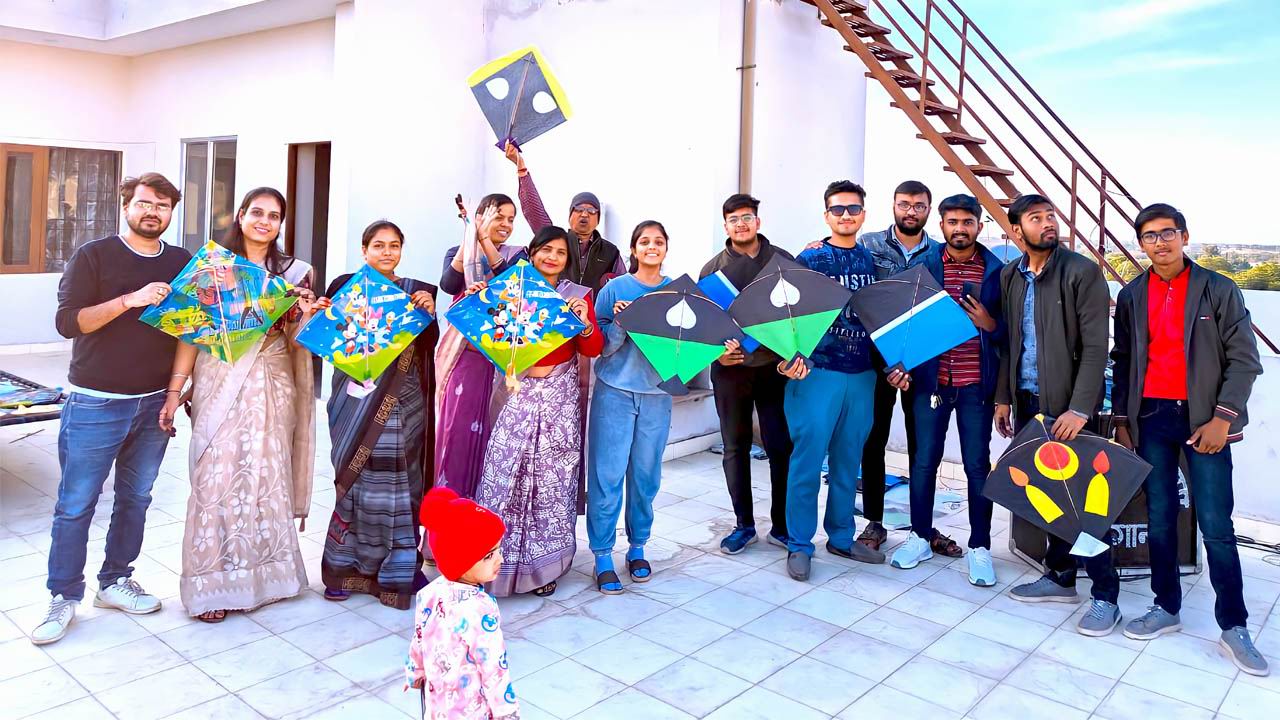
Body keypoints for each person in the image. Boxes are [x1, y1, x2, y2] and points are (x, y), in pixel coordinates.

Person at [32, 174, 190, 645]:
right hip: (96, 402)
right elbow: (67, 322)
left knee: (136, 499)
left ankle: (115, 580)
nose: (152, 212)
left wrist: (174, 393)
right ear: (126, 206)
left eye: (162, 205)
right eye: (144, 203)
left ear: (171, 212)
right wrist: (129, 300)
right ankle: (63, 595)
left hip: (153, 404)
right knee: (76, 504)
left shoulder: (182, 262)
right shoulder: (93, 255)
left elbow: (191, 329)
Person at [1111, 204, 1268, 675]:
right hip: (1151, 418)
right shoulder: (1132, 294)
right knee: (1160, 518)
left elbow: (1245, 359)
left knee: (1216, 524)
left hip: (1204, 419)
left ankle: (1234, 625)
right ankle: (1166, 607)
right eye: (1150, 235)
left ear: (1184, 236)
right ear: (1140, 243)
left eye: (1168, 233)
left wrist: (1222, 419)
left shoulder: (1217, 288)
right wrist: (1122, 420)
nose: (1159, 242)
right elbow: (1123, 360)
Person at [160, 187, 318, 622]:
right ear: (241, 215)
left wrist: (306, 314)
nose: (265, 221)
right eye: (257, 213)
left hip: (273, 380)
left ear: (281, 224)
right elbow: (189, 333)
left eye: (274, 215)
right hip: (219, 379)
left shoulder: (296, 272)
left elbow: (299, 341)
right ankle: (212, 587)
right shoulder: (213, 269)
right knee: (216, 477)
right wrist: (174, 391)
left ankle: (269, 579)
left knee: (266, 474)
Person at [995, 194, 1119, 636]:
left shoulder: (1082, 272)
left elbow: (1096, 347)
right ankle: (1061, 576)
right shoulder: (1011, 275)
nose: (1048, 223)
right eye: (1036, 218)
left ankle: (1106, 595)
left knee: (1085, 504)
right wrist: (1004, 397)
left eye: (1050, 216)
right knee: (1047, 496)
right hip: (1028, 403)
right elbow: (1010, 343)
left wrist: (1080, 408)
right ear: (1017, 230)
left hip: (1068, 408)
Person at [472, 226, 603, 597]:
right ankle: (489, 564)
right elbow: (482, 335)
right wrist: (480, 301)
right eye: (545, 250)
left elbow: (593, 349)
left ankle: (543, 568)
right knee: (504, 474)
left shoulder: (577, 297)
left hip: (560, 398)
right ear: (532, 253)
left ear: (568, 260)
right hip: (518, 394)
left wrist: (584, 323)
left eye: (560, 252)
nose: (552, 257)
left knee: (550, 481)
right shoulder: (510, 291)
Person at [785, 181, 906, 582]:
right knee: (807, 461)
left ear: (863, 215)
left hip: (862, 374)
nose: (846, 216)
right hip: (817, 372)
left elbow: (887, 316)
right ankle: (799, 544)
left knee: (847, 461)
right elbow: (787, 315)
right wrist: (788, 357)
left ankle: (840, 536)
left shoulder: (876, 263)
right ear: (826, 216)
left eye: (853, 209)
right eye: (837, 210)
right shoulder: (809, 258)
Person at [316, 220, 440, 609]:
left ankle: (399, 570)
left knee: (401, 484)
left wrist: (429, 313)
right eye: (379, 245)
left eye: (394, 245)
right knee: (355, 481)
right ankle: (344, 569)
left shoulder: (416, 291)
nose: (387, 252)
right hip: (355, 401)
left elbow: (427, 346)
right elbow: (329, 339)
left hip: (404, 401)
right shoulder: (345, 287)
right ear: (364, 250)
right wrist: (321, 314)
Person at [889, 194, 1004, 586]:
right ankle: (919, 537)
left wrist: (990, 324)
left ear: (979, 226)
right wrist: (898, 366)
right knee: (923, 462)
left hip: (976, 386)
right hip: (930, 384)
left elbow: (1011, 334)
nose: (960, 229)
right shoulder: (923, 267)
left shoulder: (996, 271)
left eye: (967, 222)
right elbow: (903, 325)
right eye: (952, 222)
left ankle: (980, 547)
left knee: (977, 467)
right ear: (941, 226)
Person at [699, 194, 794, 554]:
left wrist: (792, 353)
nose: (741, 224)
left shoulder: (781, 260)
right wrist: (718, 355)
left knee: (780, 446)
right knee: (735, 447)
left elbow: (798, 314)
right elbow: (704, 326)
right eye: (734, 219)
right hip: (731, 371)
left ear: (758, 221)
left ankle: (782, 526)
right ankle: (744, 525)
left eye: (747, 217)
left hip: (774, 368)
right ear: (726, 226)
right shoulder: (712, 270)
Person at [587, 221, 674, 594]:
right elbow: (602, 347)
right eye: (644, 241)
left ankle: (637, 547)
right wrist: (621, 325)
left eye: (659, 241)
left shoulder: (677, 291)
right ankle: (602, 554)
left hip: (657, 396)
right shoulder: (614, 289)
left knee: (646, 476)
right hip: (615, 393)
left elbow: (688, 348)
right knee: (607, 475)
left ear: (666, 248)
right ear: (634, 249)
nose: (652, 247)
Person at [854, 180, 938, 553]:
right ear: (893, 205)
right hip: (876, 360)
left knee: (923, 446)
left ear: (928, 210)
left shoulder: (938, 252)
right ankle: (874, 522)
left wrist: (911, 360)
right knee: (873, 441)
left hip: (921, 361)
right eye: (904, 204)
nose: (911, 211)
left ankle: (923, 527)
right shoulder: (868, 244)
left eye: (918, 206)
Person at [434, 195, 527, 499]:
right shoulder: (456, 251)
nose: (506, 224)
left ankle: (481, 512)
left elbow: (510, 283)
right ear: (480, 217)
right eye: (499, 216)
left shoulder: (518, 257)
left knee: (491, 434)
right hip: (464, 357)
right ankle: (448, 508)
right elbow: (449, 284)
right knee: (456, 432)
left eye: (511, 219)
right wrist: (470, 236)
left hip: (500, 360)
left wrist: (485, 241)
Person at [407, 487, 520, 719]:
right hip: (471, 710)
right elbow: (493, 668)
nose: (500, 559)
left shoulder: (429, 593)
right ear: (462, 561)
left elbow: (419, 637)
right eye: (489, 555)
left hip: (437, 707)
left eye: (499, 550)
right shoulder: (480, 609)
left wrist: (415, 671)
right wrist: (507, 712)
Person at [505, 142, 626, 291]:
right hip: (554, 304)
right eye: (579, 209)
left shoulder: (611, 252)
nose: (584, 214)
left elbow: (623, 286)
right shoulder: (558, 241)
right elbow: (534, 211)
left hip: (592, 307)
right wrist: (521, 169)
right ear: (569, 216)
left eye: (591, 211)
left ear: (598, 220)